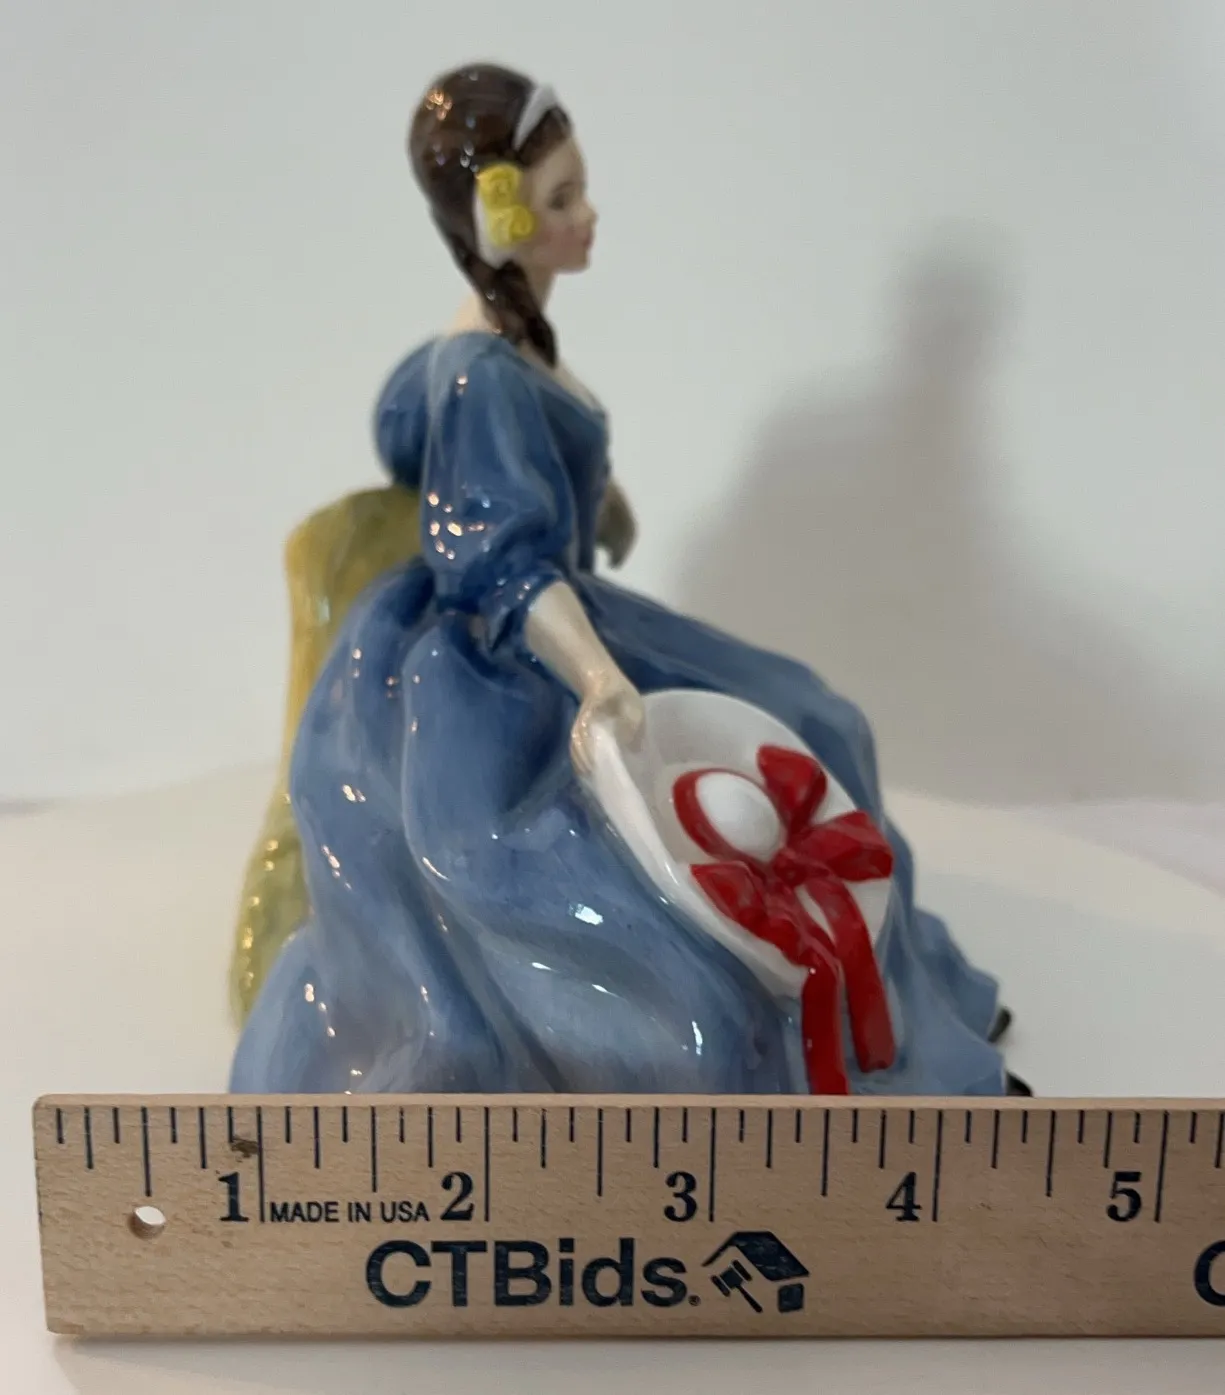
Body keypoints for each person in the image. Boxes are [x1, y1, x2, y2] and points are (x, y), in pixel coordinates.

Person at [230, 63, 1022, 1096]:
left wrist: (591, 498)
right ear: (503, 217)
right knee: (758, 754)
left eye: (580, 188)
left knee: (820, 716)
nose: (588, 215)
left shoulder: (509, 347)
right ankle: (807, 1039)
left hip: (560, 604)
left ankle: (883, 994)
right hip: (516, 651)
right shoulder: (478, 374)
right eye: (561, 198)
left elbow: (457, 463)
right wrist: (599, 677)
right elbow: (500, 560)